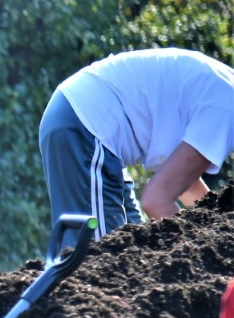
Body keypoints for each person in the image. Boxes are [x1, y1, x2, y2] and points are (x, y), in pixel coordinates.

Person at [40, 47, 234, 249]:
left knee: (132, 254)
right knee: (101, 259)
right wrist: (207, 253)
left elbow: (186, 187)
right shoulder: (227, 107)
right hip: (85, 125)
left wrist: (220, 229)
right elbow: (156, 199)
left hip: (91, 129)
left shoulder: (225, 93)